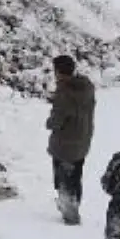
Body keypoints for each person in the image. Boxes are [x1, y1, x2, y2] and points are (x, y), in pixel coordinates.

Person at [46, 54, 96, 225]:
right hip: (82, 141)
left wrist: (49, 122)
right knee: (75, 176)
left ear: (59, 72)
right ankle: (74, 204)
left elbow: (56, 121)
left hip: (64, 144)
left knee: (63, 179)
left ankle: (70, 214)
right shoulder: (86, 88)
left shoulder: (65, 94)